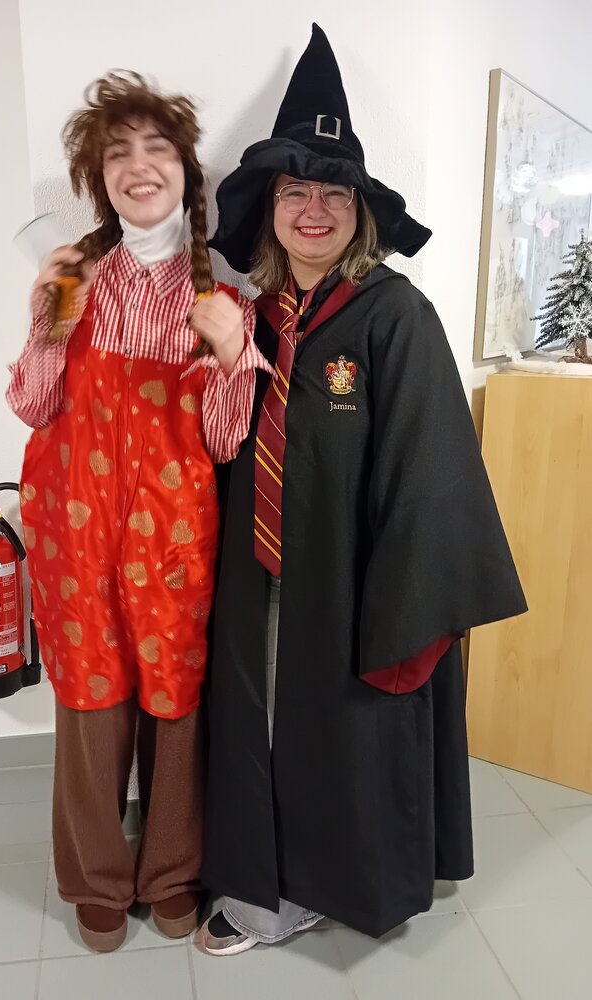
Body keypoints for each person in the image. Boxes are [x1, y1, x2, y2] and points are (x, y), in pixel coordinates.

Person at [196, 24, 527, 955]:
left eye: (333, 193)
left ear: (359, 212)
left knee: (339, 731)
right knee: (261, 727)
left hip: (351, 586)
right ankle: (266, 875)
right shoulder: (250, 319)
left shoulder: (394, 317)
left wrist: (407, 611)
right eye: (294, 192)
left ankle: (321, 888)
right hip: (255, 578)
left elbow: (432, 468)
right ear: (269, 207)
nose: (313, 210)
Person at [6, 71, 267, 954]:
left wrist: (230, 356)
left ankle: (172, 875)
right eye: (117, 153)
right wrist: (46, 319)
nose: (138, 165)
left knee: (174, 704)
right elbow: (32, 404)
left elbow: (226, 442)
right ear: (98, 178)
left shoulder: (222, 298)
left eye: (157, 148)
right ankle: (94, 880)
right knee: (90, 704)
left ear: (186, 173)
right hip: (75, 537)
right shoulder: (74, 279)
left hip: (174, 541)